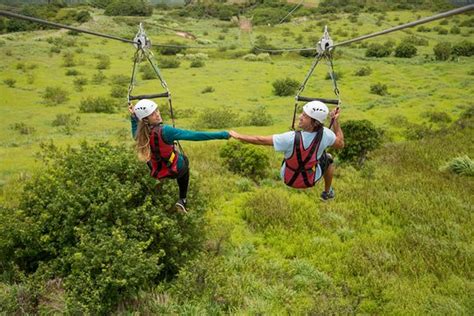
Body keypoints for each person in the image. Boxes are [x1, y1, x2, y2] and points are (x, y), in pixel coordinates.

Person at [229, 101, 344, 200]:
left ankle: (326, 191)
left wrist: (239, 136)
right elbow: (340, 144)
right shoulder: (326, 134)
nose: (300, 117)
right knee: (328, 157)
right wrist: (335, 122)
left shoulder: (290, 138)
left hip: (288, 178)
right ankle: (327, 192)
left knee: (293, 153)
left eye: (305, 116)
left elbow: (261, 140)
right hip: (310, 179)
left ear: (314, 122)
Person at [130, 99, 230, 212]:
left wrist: (133, 117)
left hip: (156, 171)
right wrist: (223, 134)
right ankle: (182, 200)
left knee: (148, 157)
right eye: (153, 114)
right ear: (145, 119)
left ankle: (161, 183)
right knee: (184, 161)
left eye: (157, 110)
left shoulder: (141, 134)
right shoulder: (165, 131)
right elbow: (195, 135)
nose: (157, 114)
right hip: (174, 170)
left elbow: (135, 130)